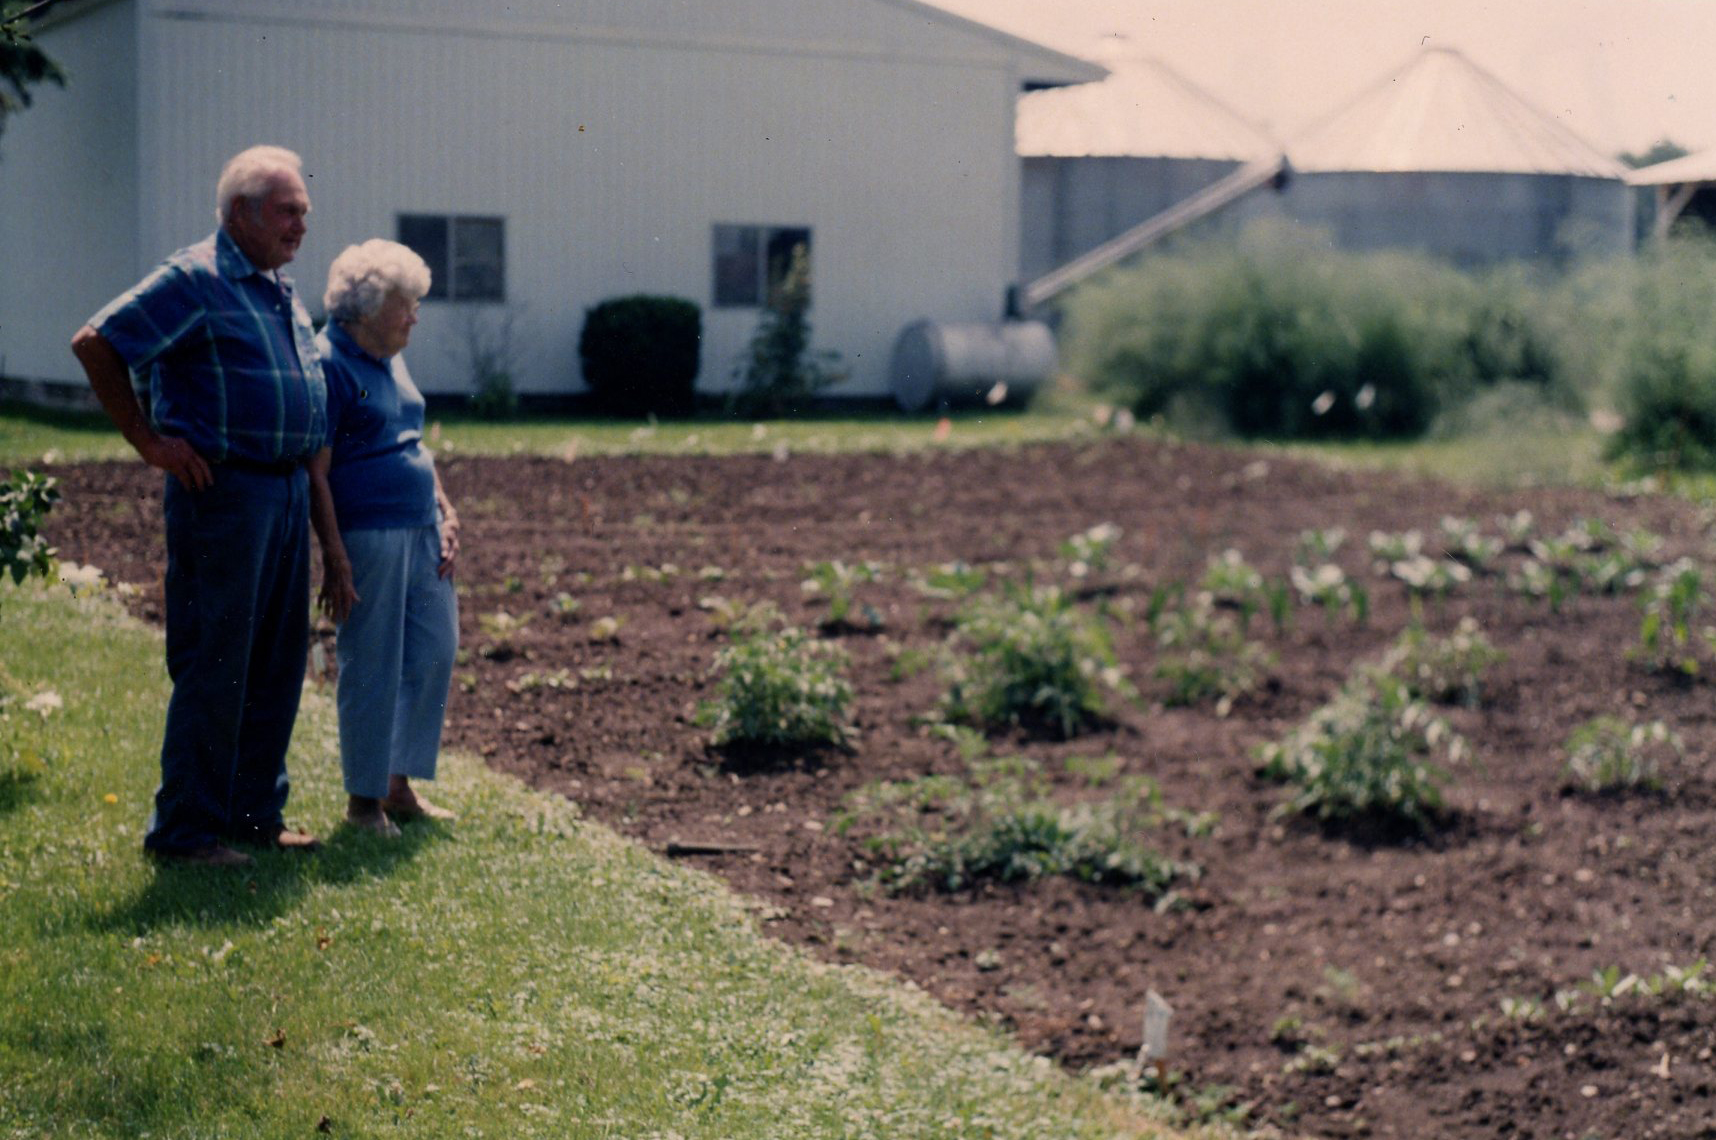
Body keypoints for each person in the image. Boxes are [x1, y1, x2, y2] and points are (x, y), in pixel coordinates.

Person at [70, 145, 327, 867]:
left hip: (283, 490)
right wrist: (150, 441)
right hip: (224, 494)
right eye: (287, 211)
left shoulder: (278, 285)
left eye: (305, 212)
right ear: (240, 212)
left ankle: (252, 815)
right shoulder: (195, 277)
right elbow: (98, 343)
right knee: (218, 659)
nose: (301, 225)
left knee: (277, 661)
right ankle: (185, 831)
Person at [307, 239, 460, 837]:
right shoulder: (329, 364)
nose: (416, 316)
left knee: (434, 650)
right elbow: (315, 470)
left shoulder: (392, 357)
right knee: (371, 664)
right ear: (367, 311)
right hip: (368, 534)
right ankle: (363, 804)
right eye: (407, 305)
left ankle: (399, 788)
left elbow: (413, 438)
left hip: (423, 528)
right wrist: (335, 556)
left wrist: (447, 510)